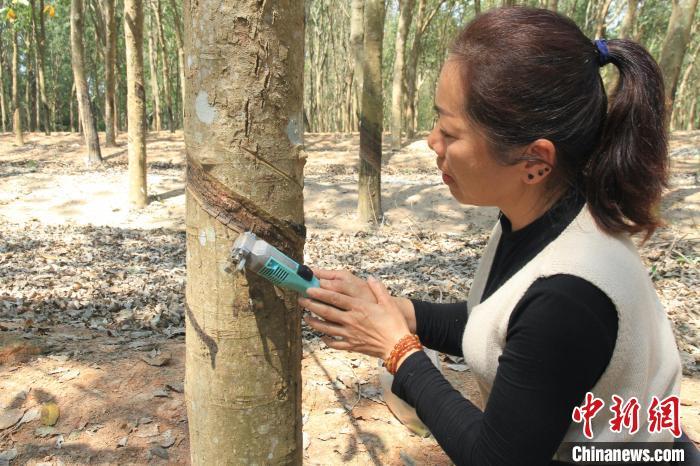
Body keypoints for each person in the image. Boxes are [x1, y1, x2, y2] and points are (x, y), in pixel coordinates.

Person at [299, 7, 695, 466]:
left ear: (534, 160)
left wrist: (397, 350)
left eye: (450, 131)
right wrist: (397, 313)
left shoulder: (569, 292)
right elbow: (499, 327)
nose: (432, 142)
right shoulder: (543, 217)